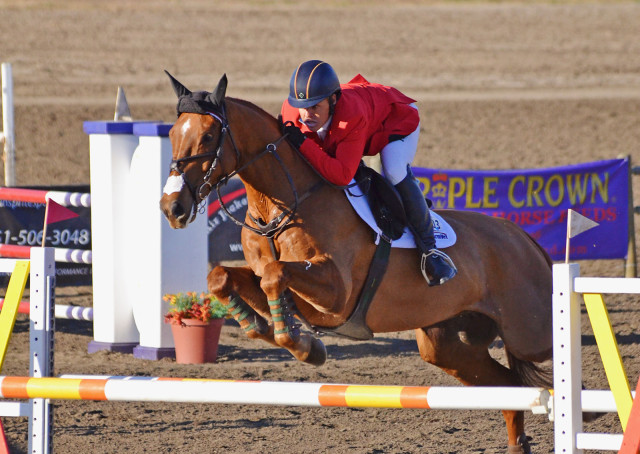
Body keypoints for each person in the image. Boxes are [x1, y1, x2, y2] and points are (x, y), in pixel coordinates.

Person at [281, 59, 456, 286]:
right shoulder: (292, 111)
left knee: (393, 171)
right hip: (364, 121)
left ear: (333, 100)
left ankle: (431, 251)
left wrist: (303, 143)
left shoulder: (351, 116)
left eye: (316, 107)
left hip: (395, 120)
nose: (306, 115)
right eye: (303, 107)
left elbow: (342, 175)